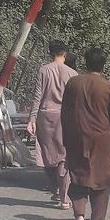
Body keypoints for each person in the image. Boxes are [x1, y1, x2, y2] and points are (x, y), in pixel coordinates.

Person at [61, 47, 110, 220]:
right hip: (101, 141)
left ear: (85, 63)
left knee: (79, 177)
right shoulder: (107, 87)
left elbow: (64, 114)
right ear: (103, 66)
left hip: (77, 137)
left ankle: (79, 216)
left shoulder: (73, 83)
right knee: (101, 181)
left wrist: (66, 138)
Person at [27, 39, 77, 209]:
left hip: (45, 116)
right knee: (64, 157)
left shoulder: (43, 70)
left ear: (50, 53)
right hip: (65, 117)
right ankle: (65, 198)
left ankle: (54, 188)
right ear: (65, 53)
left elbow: (37, 96)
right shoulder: (72, 73)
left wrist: (32, 119)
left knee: (47, 154)